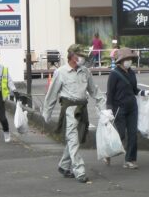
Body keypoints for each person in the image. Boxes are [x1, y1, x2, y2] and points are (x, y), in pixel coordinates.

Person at [42, 44, 107, 183]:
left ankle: (64, 165)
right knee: (73, 140)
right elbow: (52, 94)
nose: (83, 59)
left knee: (76, 139)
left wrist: (103, 107)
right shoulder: (61, 72)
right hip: (69, 110)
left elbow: (94, 90)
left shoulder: (85, 72)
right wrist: (46, 113)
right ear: (72, 56)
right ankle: (80, 171)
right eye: (80, 56)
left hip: (82, 109)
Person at [105, 47, 149, 169]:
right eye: (127, 59)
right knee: (120, 135)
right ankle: (108, 152)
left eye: (130, 59)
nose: (129, 61)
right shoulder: (114, 74)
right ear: (121, 60)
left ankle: (130, 160)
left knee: (133, 134)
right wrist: (109, 109)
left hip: (132, 107)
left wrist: (145, 93)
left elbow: (134, 90)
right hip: (119, 109)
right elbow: (110, 93)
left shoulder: (131, 73)